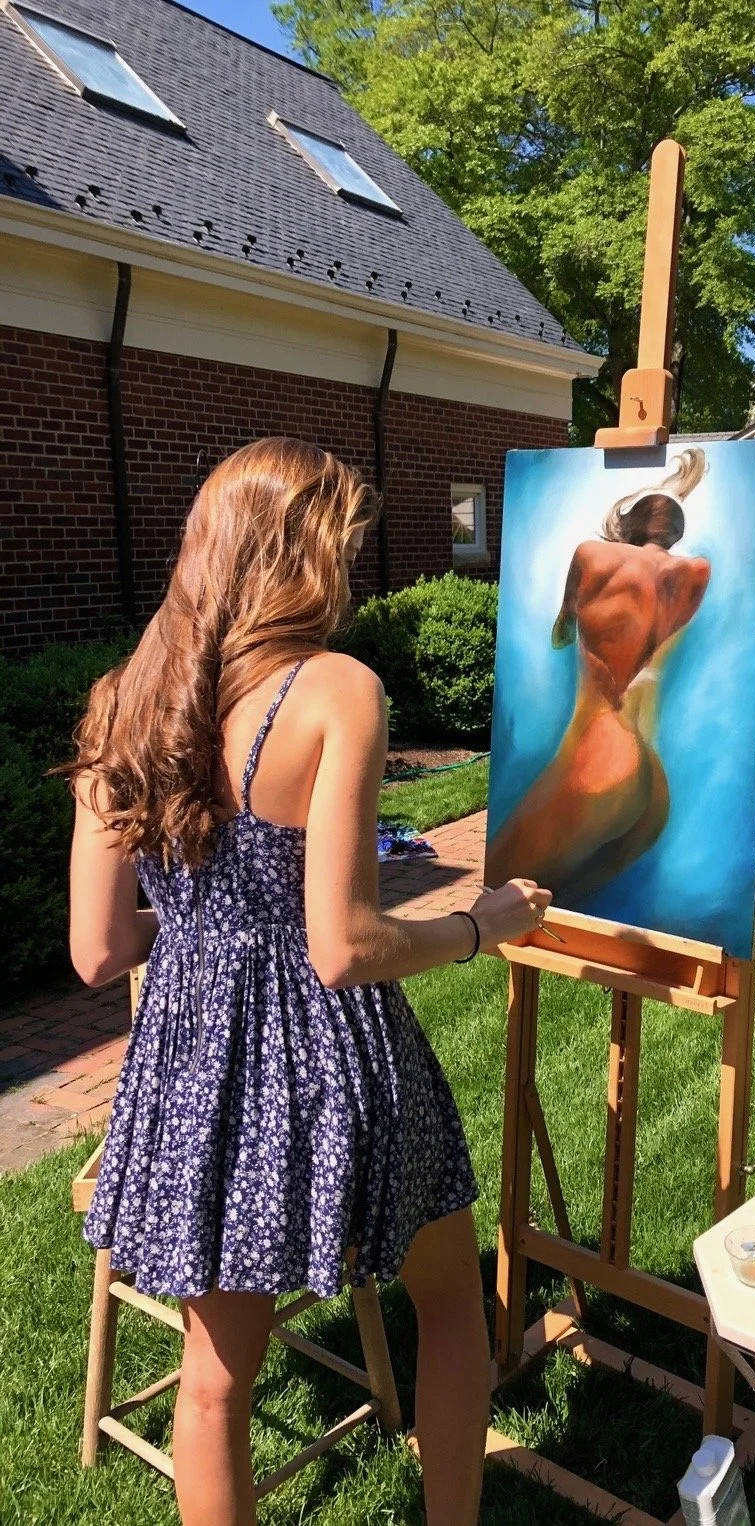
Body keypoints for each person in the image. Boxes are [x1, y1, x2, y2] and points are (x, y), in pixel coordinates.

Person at [63, 437, 551, 1526]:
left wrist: (206, 929)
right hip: (333, 1054)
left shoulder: (119, 702)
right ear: (298, 553)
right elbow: (343, 947)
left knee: (216, 1374)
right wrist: (480, 923)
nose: (348, 565)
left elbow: (95, 950)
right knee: (448, 1299)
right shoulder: (336, 688)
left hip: (189, 1068)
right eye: (341, 542)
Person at [486, 447, 710, 899]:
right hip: (650, 776)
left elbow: (560, 632)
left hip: (600, 752)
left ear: (626, 526)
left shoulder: (593, 555)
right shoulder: (693, 574)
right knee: (565, 903)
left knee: (502, 891)